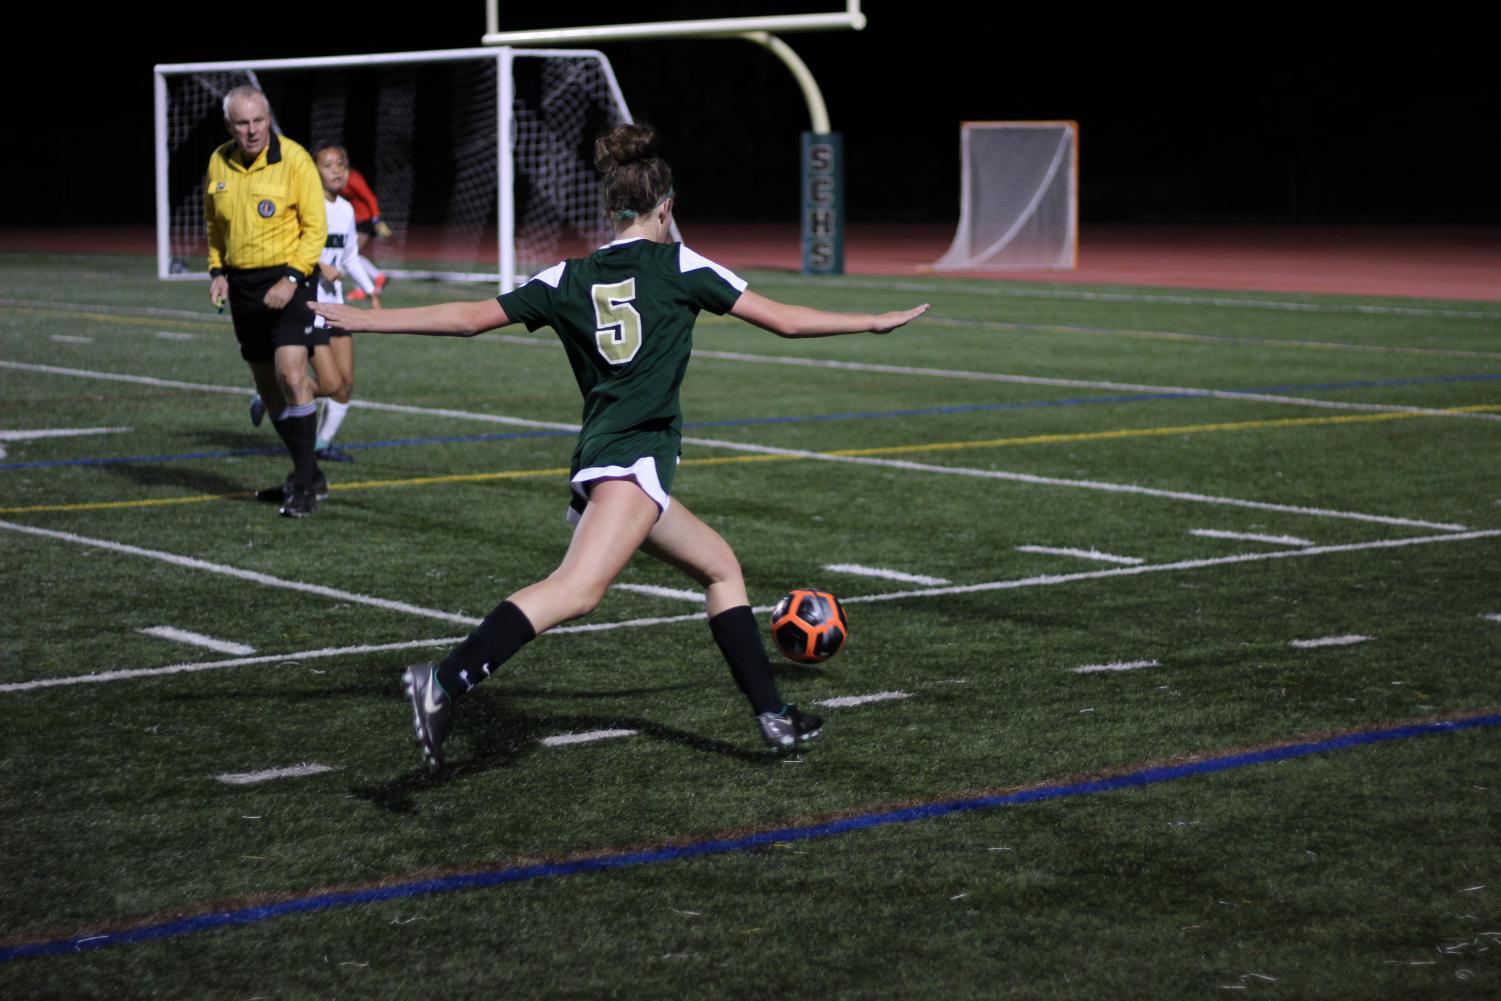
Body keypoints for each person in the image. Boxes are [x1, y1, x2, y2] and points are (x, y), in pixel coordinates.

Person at [311, 123, 928, 770]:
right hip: (630, 458)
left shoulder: (566, 276)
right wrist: (871, 320)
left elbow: (469, 319)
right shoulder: (683, 266)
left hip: (619, 455)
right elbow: (786, 321)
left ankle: (773, 717)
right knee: (576, 590)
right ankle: (441, 682)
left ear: (611, 212)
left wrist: (368, 317)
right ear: (665, 208)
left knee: (721, 568)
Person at [207, 85, 330, 518]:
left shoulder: (294, 160)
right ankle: (308, 475)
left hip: (290, 279)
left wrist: (292, 277)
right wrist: (218, 271)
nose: (252, 130)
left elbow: (315, 229)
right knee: (267, 387)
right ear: (230, 126)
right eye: (242, 123)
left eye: (258, 120)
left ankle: (304, 486)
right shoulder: (218, 161)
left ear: (268, 118)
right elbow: (215, 226)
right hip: (242, 286)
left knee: (291, 374)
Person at [307, 142, 382, 462]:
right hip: (308, 306)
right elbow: (285, 249)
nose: (336, 170)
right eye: (327, 165)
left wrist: (371, 291)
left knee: (345, 383)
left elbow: (350, 256)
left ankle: (321, 444)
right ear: (314, 171)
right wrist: (317, 264)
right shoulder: (307, 206)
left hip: (335, 305)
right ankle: (274, 393)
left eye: (341, 164)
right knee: (328, 381)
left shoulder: (347, 209)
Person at [339, 163, 389, 301]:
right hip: (355, 221)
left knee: (350, 254)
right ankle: (378, 277)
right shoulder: (338, 179)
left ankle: (361, 289)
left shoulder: (354, 178)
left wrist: (376, 220)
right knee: (351, 254)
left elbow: (369, 197)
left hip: (366, 221)